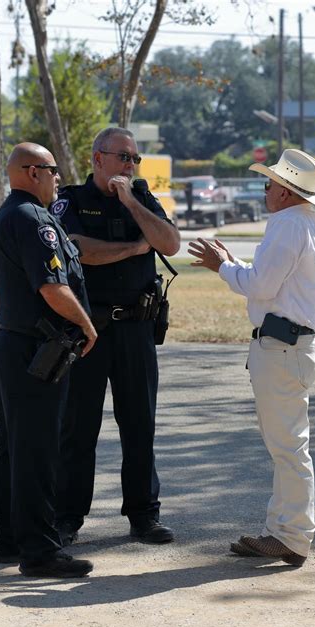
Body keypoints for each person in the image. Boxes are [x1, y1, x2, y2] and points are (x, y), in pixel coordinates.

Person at [188, 149, 315, 567]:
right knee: (289, 445)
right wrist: (234, 264)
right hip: (294, 346)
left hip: (282, 347)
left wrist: (222, 267)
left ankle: (291, 536)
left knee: (287, 447)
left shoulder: (287, 223)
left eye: (270, 183)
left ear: (287, 191)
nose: (265, 188)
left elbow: (262, 285)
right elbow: (274, 280)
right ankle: (284, 530)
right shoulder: (308, 222)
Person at [50, 127, 180, 544]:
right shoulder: (72, 199)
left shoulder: (141, 197)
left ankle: (144, 514)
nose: (129, 165)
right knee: (78, 428)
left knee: (140, 425)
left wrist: (130, 201)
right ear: (97, 159)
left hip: (137, 331)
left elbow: (170, 242)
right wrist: (131, 249)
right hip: (89, 331)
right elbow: (75, 248)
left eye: (134, 159)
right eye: (122, 157)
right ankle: (67, 517)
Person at [0, 142, 97, 578]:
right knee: (36, 450)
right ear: (32, 172)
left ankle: (11, 539)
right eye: (53, 170)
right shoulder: (32, 218)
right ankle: (40, 551)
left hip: (15, 346)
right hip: (36, 349)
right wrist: (88, 325)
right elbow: (52, 287)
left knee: (14, 447)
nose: (58, 177)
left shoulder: (10, 214)